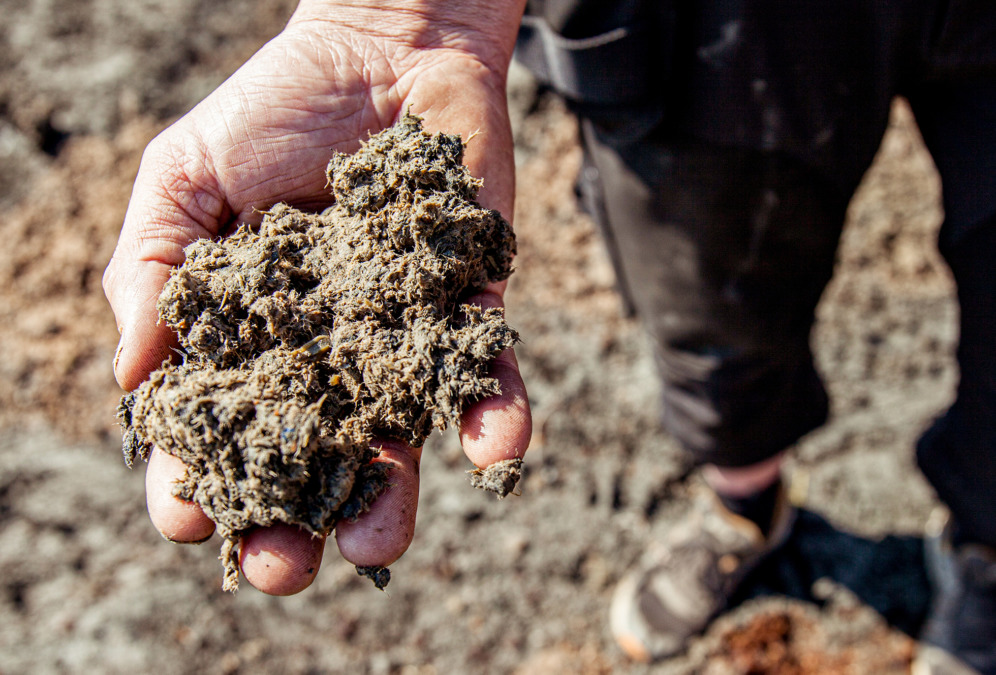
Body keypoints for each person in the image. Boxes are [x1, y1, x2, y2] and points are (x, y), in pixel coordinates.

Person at [103, 0, 996, 672]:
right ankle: (746, 501)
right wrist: (406, 11)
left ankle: (988, 547)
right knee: (711, 295)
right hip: (714, 25)